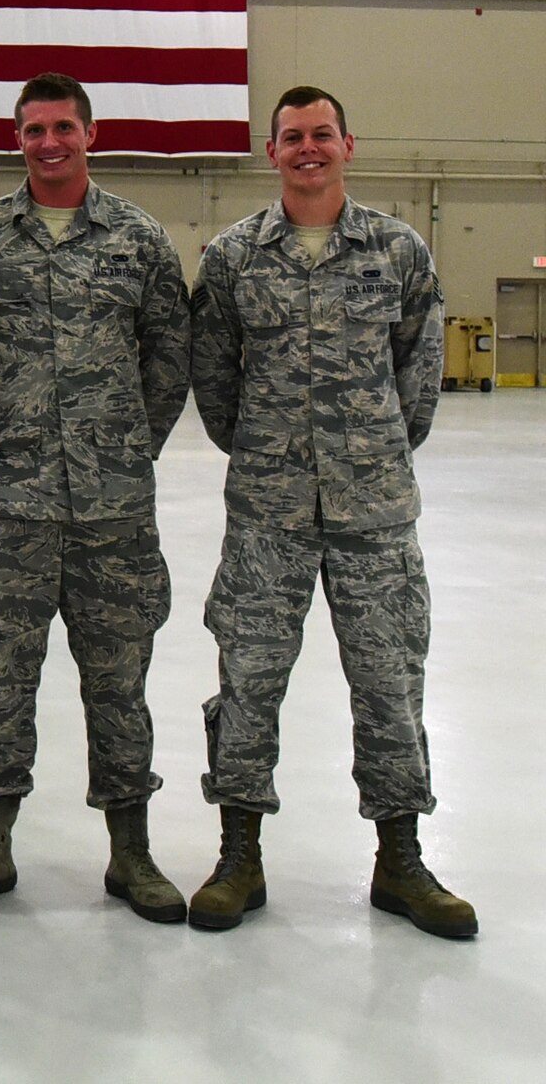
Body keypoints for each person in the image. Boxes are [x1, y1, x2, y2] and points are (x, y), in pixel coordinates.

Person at [187, 85, 475, 939]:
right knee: (248, 681)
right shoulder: (237, 255)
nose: (307, 149)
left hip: (374, 512)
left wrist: (373, 452)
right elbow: (214, 381)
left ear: (348, 143)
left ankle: (400, 859)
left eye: (321, 135)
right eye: (291, 137)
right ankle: (240, 854)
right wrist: (267, 453)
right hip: (269, 511)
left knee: (390, 682)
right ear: (270, 151)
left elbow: (417, 376)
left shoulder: (399, 249)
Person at [0, 72, 192, 923]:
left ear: (89, 134)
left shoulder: (140, 241)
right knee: (1, 678)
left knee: (119, 683)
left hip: (114, 511)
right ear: (18, 138)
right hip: (6, 507)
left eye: (64, 128)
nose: (50, 142)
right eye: (35, 128)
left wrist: (121, 444)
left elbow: (171, 358)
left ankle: (131, 852)